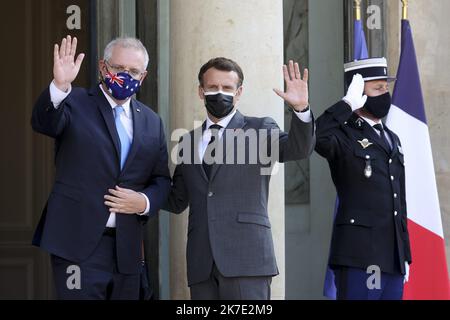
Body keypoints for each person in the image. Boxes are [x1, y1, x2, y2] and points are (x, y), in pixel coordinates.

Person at [31, 36, 170, 299]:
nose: (125, 76)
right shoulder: (75, 101)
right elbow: (44, 123)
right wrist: (60, 86)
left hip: (126, 250)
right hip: (76, 244)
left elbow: (161, 180)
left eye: (133, 72)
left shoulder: (152, 121)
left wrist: (143, 202)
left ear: (144, 76)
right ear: (103, 67)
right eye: (119, 69)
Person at [165, 57, 315, 300]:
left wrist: (301, 110)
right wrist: (140, 194)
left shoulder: (260, 129)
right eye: (213, 88)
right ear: (201, 91)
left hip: (248, 260)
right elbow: (177, 199)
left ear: (239, 92)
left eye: (227, 88)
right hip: (202, 264)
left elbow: (298, 149)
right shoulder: (187, 141)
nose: (219, 93)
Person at [315, 57, 412, 300]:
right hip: (360, 256)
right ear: (359, 92)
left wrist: (404, 253)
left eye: (386, 88)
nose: (384, 95)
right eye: (377, 89)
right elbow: (315, 138)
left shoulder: (391, 138)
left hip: (392, 258)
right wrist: (346, 104)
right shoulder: (343, 134)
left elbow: (399, 200)